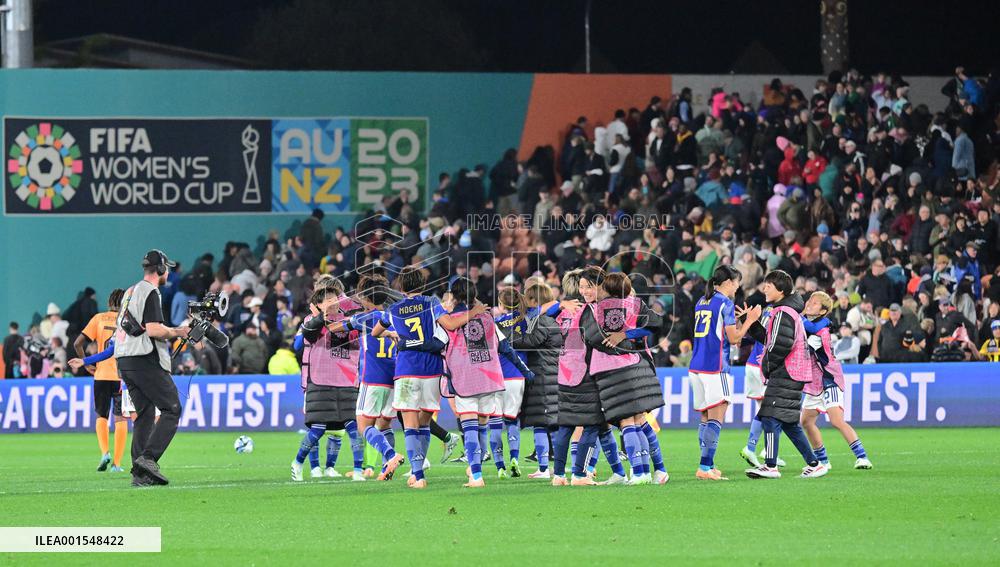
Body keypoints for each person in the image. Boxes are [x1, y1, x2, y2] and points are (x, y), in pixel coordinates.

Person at [370, 266, 486, 489]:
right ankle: (418, 471)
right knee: (424, 422)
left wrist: (392, 333)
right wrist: (475, 312)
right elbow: (450, 325)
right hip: (432, 369)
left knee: (410, 423)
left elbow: (375, 332)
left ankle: (418, 475)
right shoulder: (431, 302)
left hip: (406, 369)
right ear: (422, 285)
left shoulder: (394, 308)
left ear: (401, 286)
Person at [113, 250, 190, 487]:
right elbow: (154, 329)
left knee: (145, 415)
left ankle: (140, 474)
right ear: (160, 270)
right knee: (172, 407)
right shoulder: (151, 291)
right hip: (143, 358)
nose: (168, 272)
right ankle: (148, 459)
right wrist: (178, 331)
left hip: (125, 360)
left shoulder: (130, 291)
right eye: (167, 268)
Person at [742, 270, 828, 480]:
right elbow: (770, 338)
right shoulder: (785, 311)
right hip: (793, 371)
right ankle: (814, 464)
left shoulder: (782, 312)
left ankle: (771, 466)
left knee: (770, 415)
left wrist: (767, 366)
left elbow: (781, 344)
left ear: (780, 290)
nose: (764, 289)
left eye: (768, 286)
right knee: (788, 422)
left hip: (786, 372)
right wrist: (751, 322)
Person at [689, 266, 760, 480]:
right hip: (715, 366)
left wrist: (741, 321)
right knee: (717, 416)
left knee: (705, 416)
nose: (738, 287)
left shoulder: (702, 301)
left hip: (696, 365)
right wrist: (751, 319)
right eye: (737, 283)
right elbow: (734, 338)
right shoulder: (725, 303)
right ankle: (705, 466)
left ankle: (707, 466)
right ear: (728, 282)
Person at [333, 274, 406, 481]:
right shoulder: (395, 316)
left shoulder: (364, 318)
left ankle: (391, 456)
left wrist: (328, 324)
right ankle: (385, 467)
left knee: (364, 426)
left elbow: (339, 327)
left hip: (373, 378)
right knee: (384, 426)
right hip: (395, 377)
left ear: (365, 297)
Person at [799, 292, 873, 470]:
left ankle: (862, 457)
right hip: (815, 382)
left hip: (829, 379)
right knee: (806, 421)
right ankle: (823, 461)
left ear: (823, 311)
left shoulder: (820, 332)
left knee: (836, 420)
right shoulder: (815, 326)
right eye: (810, 301)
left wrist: (795, 316)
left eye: (814, 303)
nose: (809, 304)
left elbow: (802, 342)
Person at [74, 289, 128, 473]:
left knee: (101, 416)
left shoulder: (98, 318)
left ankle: (105, 453)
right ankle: (117, 464)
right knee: (121, 418)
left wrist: (87, 365)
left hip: (101, 375)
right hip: (121, 377)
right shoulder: (127, 321)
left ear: (109, 301)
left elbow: (77, 343)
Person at [492, 287, 530, 477]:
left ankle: (499, 466)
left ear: (501, 304)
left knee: (495, 422)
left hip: (497, 376)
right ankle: (514, 456)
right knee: (512, 420)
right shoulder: (525, 319)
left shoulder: (495, 322)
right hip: (517, 375)